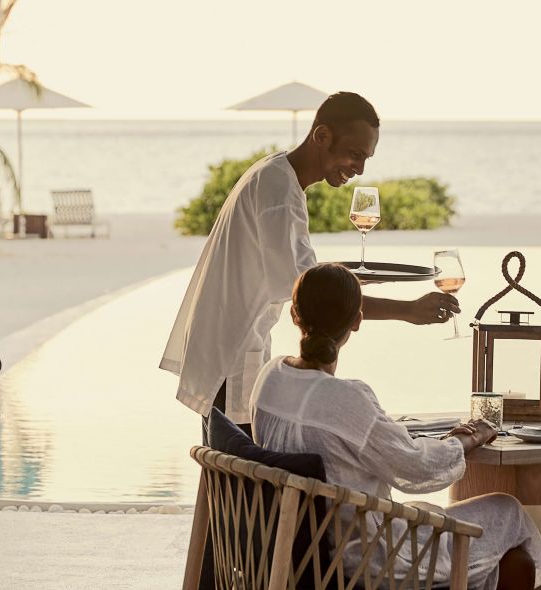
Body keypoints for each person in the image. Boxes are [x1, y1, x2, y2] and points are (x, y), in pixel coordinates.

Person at [160, 92, 459, 435]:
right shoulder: (280, 193)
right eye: (354, 154)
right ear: (322, 136)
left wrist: (349, 277)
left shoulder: (276, 172)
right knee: (238, 476)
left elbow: (300, 273)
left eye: (366, 158)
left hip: (229, 345)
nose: (360, 168)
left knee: (225, 474)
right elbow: (312, 297)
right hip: (232, 353)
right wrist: (408, 311)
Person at [250, 263, 541, 589]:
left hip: (298, 551)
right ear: (357, 320)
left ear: (295, 315)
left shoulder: (270, 377)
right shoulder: (348, 398)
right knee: (507, 510)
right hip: (365, 560)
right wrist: (465, 440)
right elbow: (417, 470)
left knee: (431, 513)